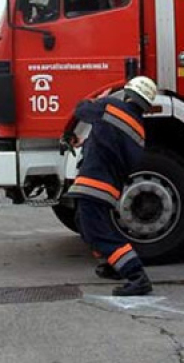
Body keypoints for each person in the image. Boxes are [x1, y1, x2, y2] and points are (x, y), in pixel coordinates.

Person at [62, 76, 158, 296]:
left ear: (128, 94)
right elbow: (111, 148)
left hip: (92, 183)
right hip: (108, 189)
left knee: (99, 232)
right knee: (85, 224)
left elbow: (81, 110)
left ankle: (137, 276)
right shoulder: (139, 133)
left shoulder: (111, 107)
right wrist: (87, 144)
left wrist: (98, 99)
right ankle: (112, 265)